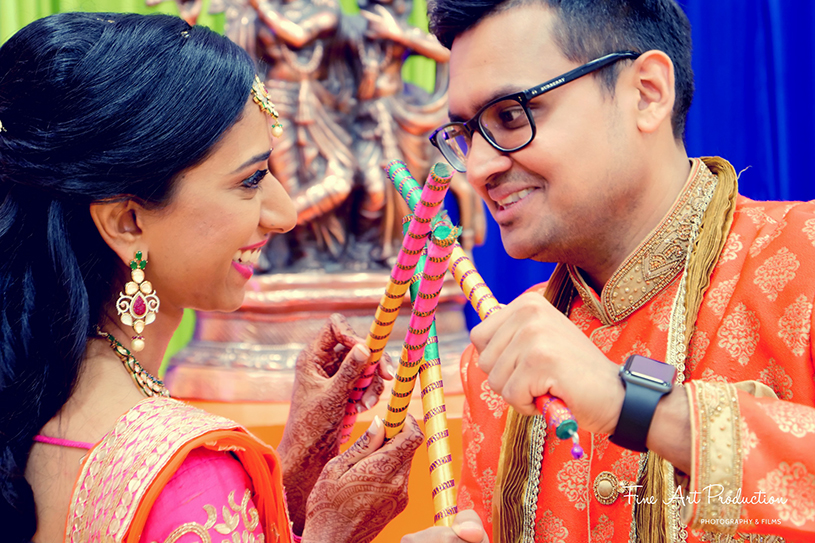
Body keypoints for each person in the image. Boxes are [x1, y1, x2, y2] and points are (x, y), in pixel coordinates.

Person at [0, 12, 425, 542]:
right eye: (250, 180)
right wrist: (335, 534)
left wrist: (292, 475)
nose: (286, 212)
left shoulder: (32, 400)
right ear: (128, 221)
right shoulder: (190, 471)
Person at [407, 0, 815, 542]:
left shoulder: (801, 256)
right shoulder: (497, 363)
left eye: (510, 116)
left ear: (646, 93)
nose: (479, 168)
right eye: (465, 132)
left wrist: (631, 403)